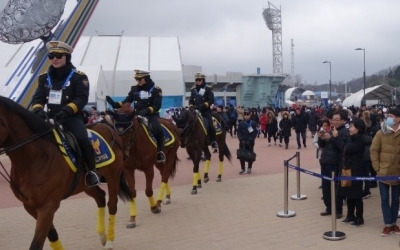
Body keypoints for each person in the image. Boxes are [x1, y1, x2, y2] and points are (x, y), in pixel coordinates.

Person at [31, 40, 99, 187]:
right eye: (51, 55)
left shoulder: (78, 77)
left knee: (82, 139)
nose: (54, 58)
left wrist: (66, 111)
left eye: (59, 55)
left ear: (67, 57)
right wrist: (37, 110)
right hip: (49, 118)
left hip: (71, 118)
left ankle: (91, 172)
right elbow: (38, 98)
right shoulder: (43, 78)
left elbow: (81, 98)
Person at [106, 69, 166, 163]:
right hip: (136, 114)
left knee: (158, 129)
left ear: (146, 78)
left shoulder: (156, 90)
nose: (137, 81)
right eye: (136, 79)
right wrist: (115, 104)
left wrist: (146, 110)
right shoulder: (134, 89)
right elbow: (127, 101)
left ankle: (160, 152)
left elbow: (157, 105)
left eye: (139, 79)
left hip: (150, 115)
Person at [370, 108, 400, 236]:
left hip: (397, 172)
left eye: (392, 116)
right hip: (383, 172)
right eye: (388, 115)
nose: (389, 118)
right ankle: (387, 224)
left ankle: (394, 223)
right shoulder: (381, 132)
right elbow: (373, 150)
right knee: (384, 199)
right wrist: (377, 168)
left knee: (396, 200)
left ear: (398, 119)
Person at [318, 109, 349, 219]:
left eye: (337, 120)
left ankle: (338, 210)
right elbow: (322, 145)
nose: (334, 122)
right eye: (332, 119)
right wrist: (321, 137)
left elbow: (343, 148)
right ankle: (328, 208)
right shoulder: (331, 130)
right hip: (325, 161)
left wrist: (334, 137)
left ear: (343, 120)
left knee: (336, 188)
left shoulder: (345, 132)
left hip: (336, 163)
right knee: (326, 187)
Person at [338, 118, 366, 227]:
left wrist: (336, 138)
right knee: (348, 194)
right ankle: (350, 215)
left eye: (352, 127)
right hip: (347, 169)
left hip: (356, 171)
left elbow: (345, 149)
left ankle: (359, 217)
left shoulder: (360, 140)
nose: (349, 128)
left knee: (357, 195)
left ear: (358, 129)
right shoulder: (351, 138)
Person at [188, 72, 217, 149]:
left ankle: (213, 141)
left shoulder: (208, 88)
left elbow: (211, 100)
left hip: (205, 111)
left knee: (210, 125)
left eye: (199, 79)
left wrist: (204, 105)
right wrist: (191, 106)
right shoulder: (193, 90)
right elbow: (191, 101)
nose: (197, 81)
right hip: (195, 111)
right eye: (196, 80)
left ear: (203, 80)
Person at [237, 109, 258, 174]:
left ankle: (249, 167)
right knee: (241, 155)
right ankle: (242, 168)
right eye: (245, 114)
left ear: (250, 115)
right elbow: (238, 132)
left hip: (250, 142)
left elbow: (254, 132)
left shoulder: (253, 123)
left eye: (247, 114)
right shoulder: (241, 123)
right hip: (242, 142)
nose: (246, 116)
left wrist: (250, 139)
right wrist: (241, 139)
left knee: (250, 155)